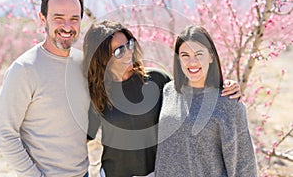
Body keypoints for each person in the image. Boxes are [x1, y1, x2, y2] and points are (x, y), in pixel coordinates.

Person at [83, 20, 242, 177]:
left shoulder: (157, 79)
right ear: (102, 57)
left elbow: (197, 99)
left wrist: (224, 87)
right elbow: (83, 138)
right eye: (119, 51)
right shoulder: (97, 93)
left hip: (159, 172)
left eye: (129, 45)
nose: (129, 52)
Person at [0, 0, 90, 177]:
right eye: (58, 18)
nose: (67, 26)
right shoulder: (24, 69)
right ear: (42, 19)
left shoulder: (83, 64)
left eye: (74, 19)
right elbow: (5, 135)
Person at [155, 25, 258, 176]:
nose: (192, 62)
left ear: (211, 56)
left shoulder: (228, 102)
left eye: (199, 54)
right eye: (185, 55)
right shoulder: (170, 91)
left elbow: (244, 164)